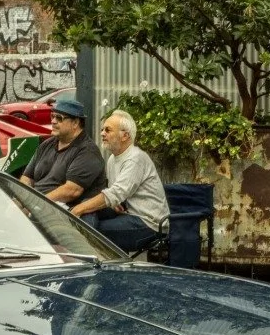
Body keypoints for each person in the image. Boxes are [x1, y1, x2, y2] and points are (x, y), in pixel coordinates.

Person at [71, 110, 170, 252]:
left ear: (125, 136)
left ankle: (85, 253)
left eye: (108, 130)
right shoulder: (112, 159)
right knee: (88, 207)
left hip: (148, 224)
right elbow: (115, 195)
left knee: (92, 227)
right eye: (102, 129)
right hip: (128, 214)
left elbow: (116, 193)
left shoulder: (135, 159)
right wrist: (112, 204)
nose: (102, 133)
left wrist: (78, 210)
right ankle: (87, 249)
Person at [22, 98, 107, 207]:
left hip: (61, 210)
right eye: (52, 116)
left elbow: (71, 191)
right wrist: (20, 200)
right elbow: (27, 177)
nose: (53, 121)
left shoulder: (87, 151)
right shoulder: (46, 144)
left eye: (59, 118)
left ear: (75, 123)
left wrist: (34, 204)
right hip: (35, 205)